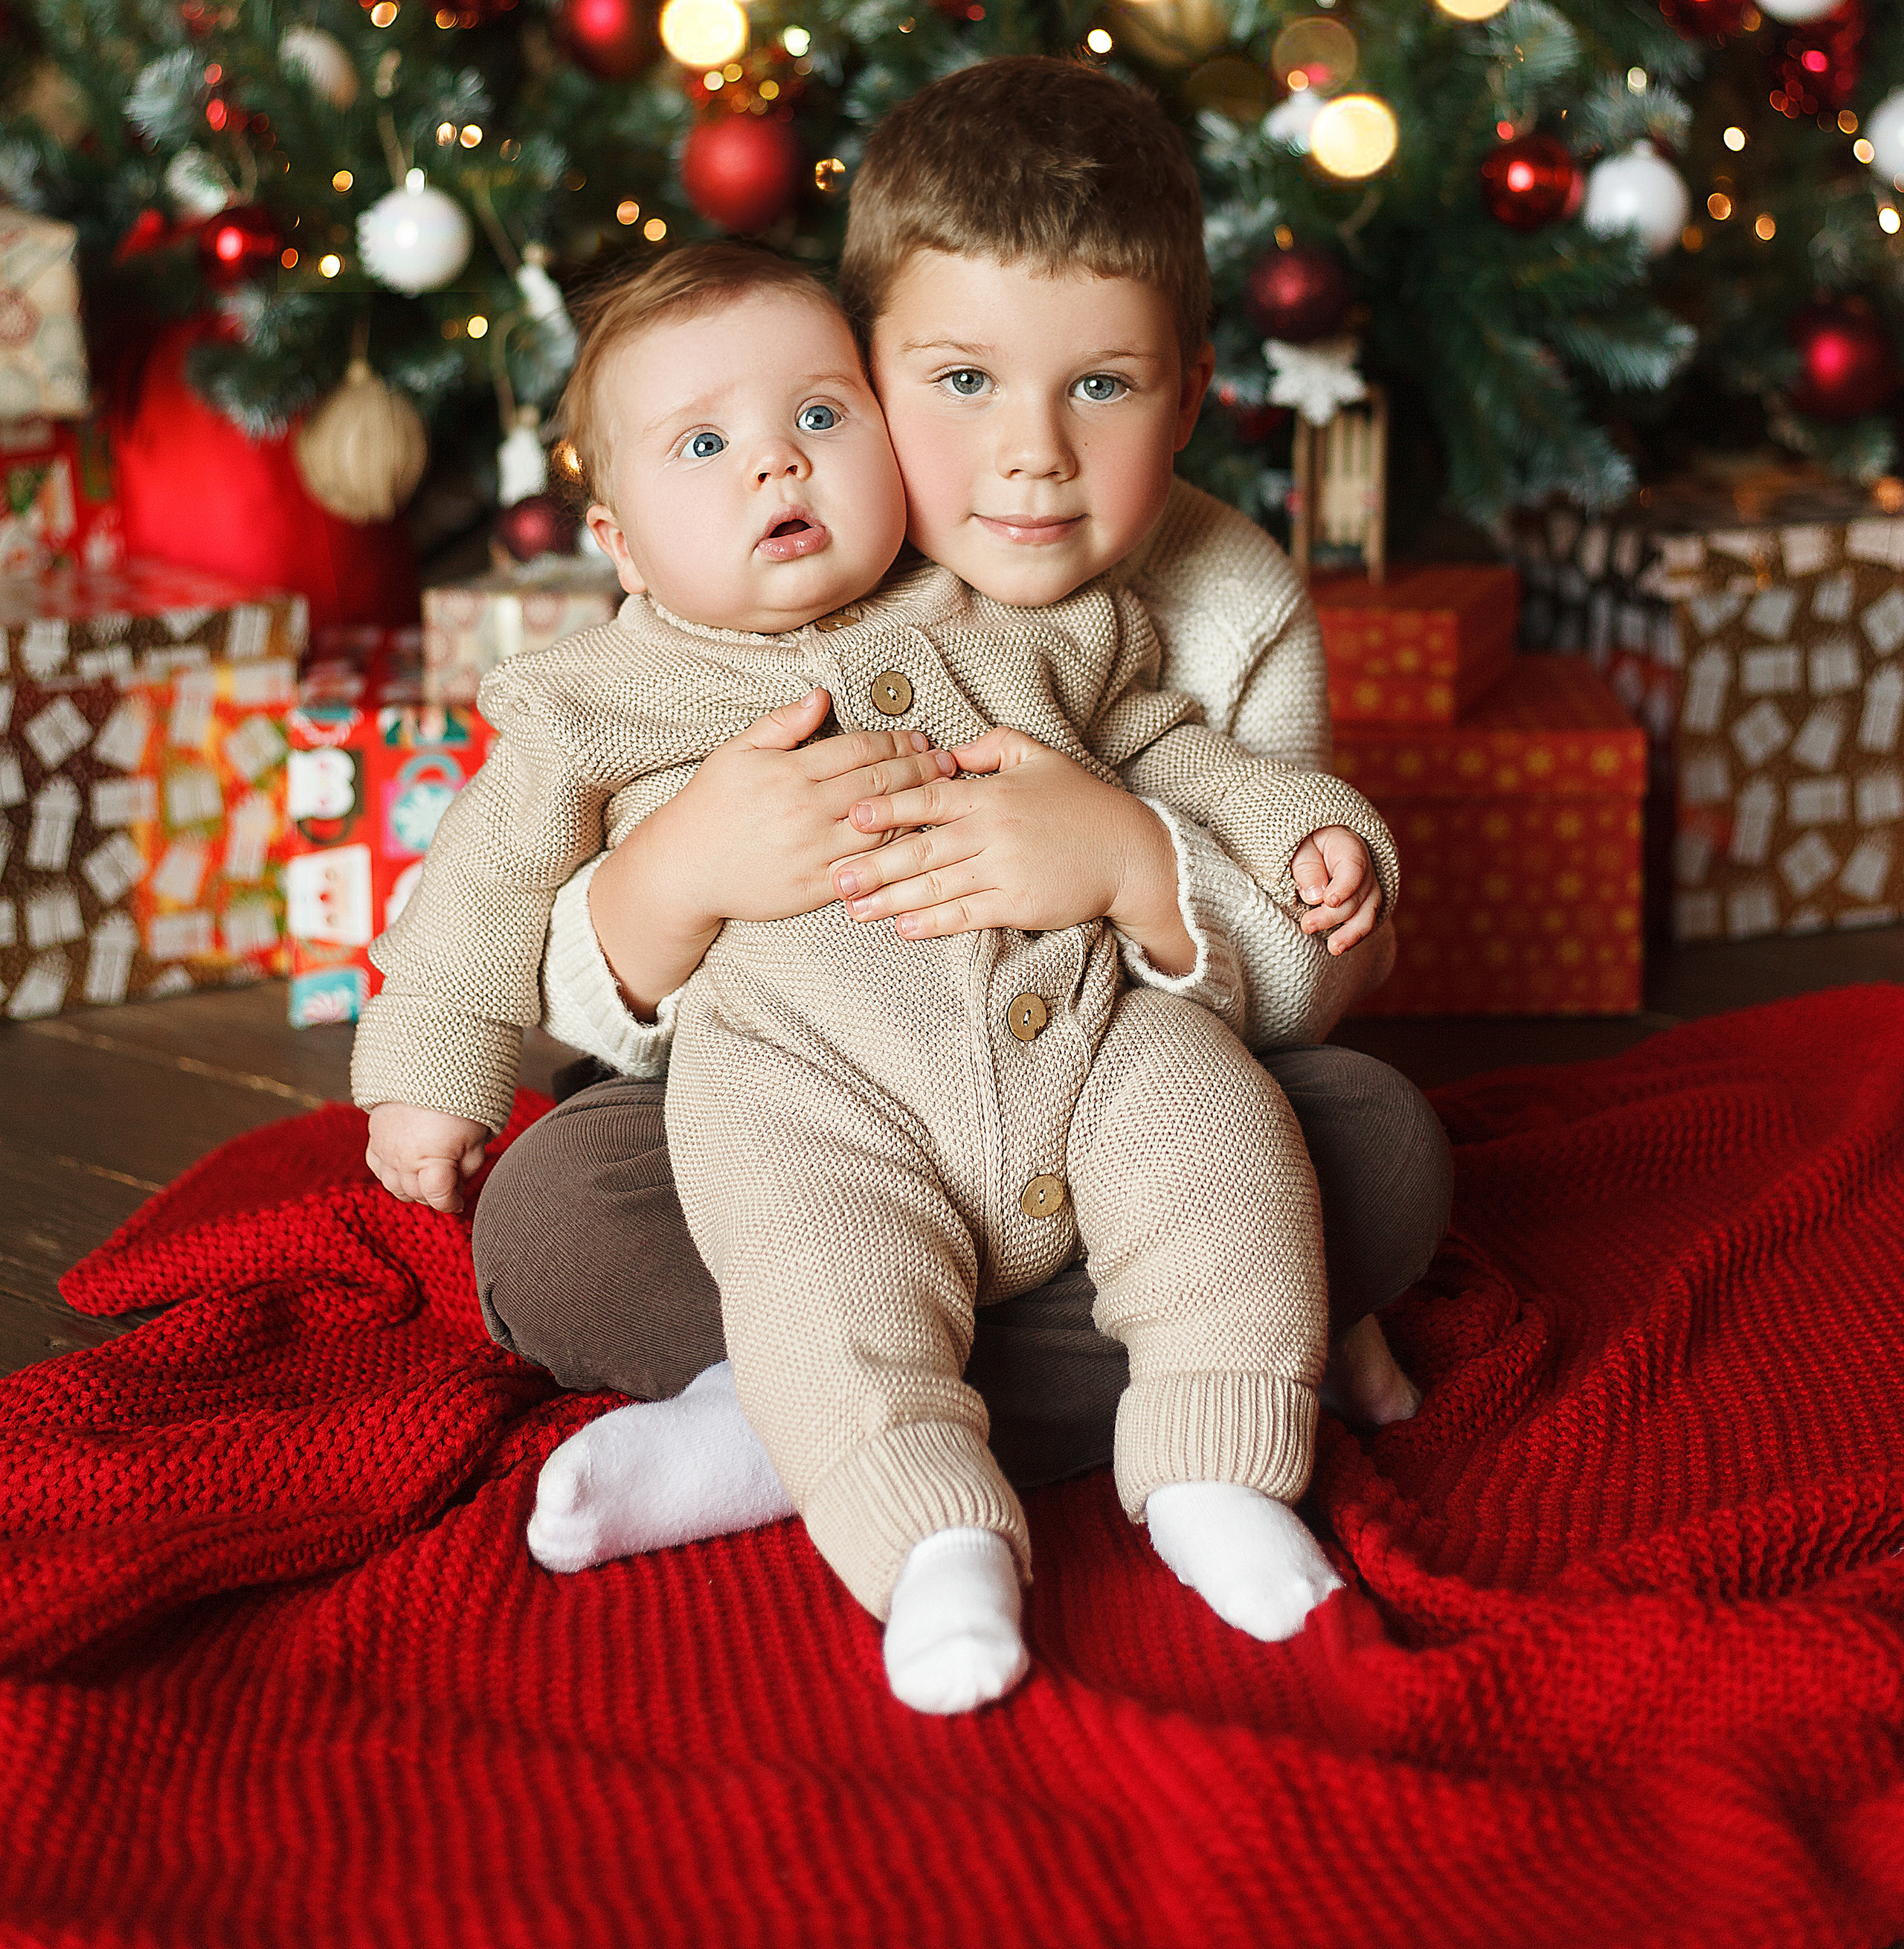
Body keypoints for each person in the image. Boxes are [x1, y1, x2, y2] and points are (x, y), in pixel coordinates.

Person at [357, 239, 1401, 1712]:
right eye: (704, 445)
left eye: (821, 417)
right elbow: (479, 889)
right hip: (807, 1102)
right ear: (618, 537)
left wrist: (1301, 829)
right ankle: (930, 1532)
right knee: (743, 1243)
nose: (773, 466)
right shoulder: (594, 699)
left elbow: (1179, 755)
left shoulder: (1031, 612)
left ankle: (1209, 1468)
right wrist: (425, 1076)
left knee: (1240, 1136)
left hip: (1090, 1047)